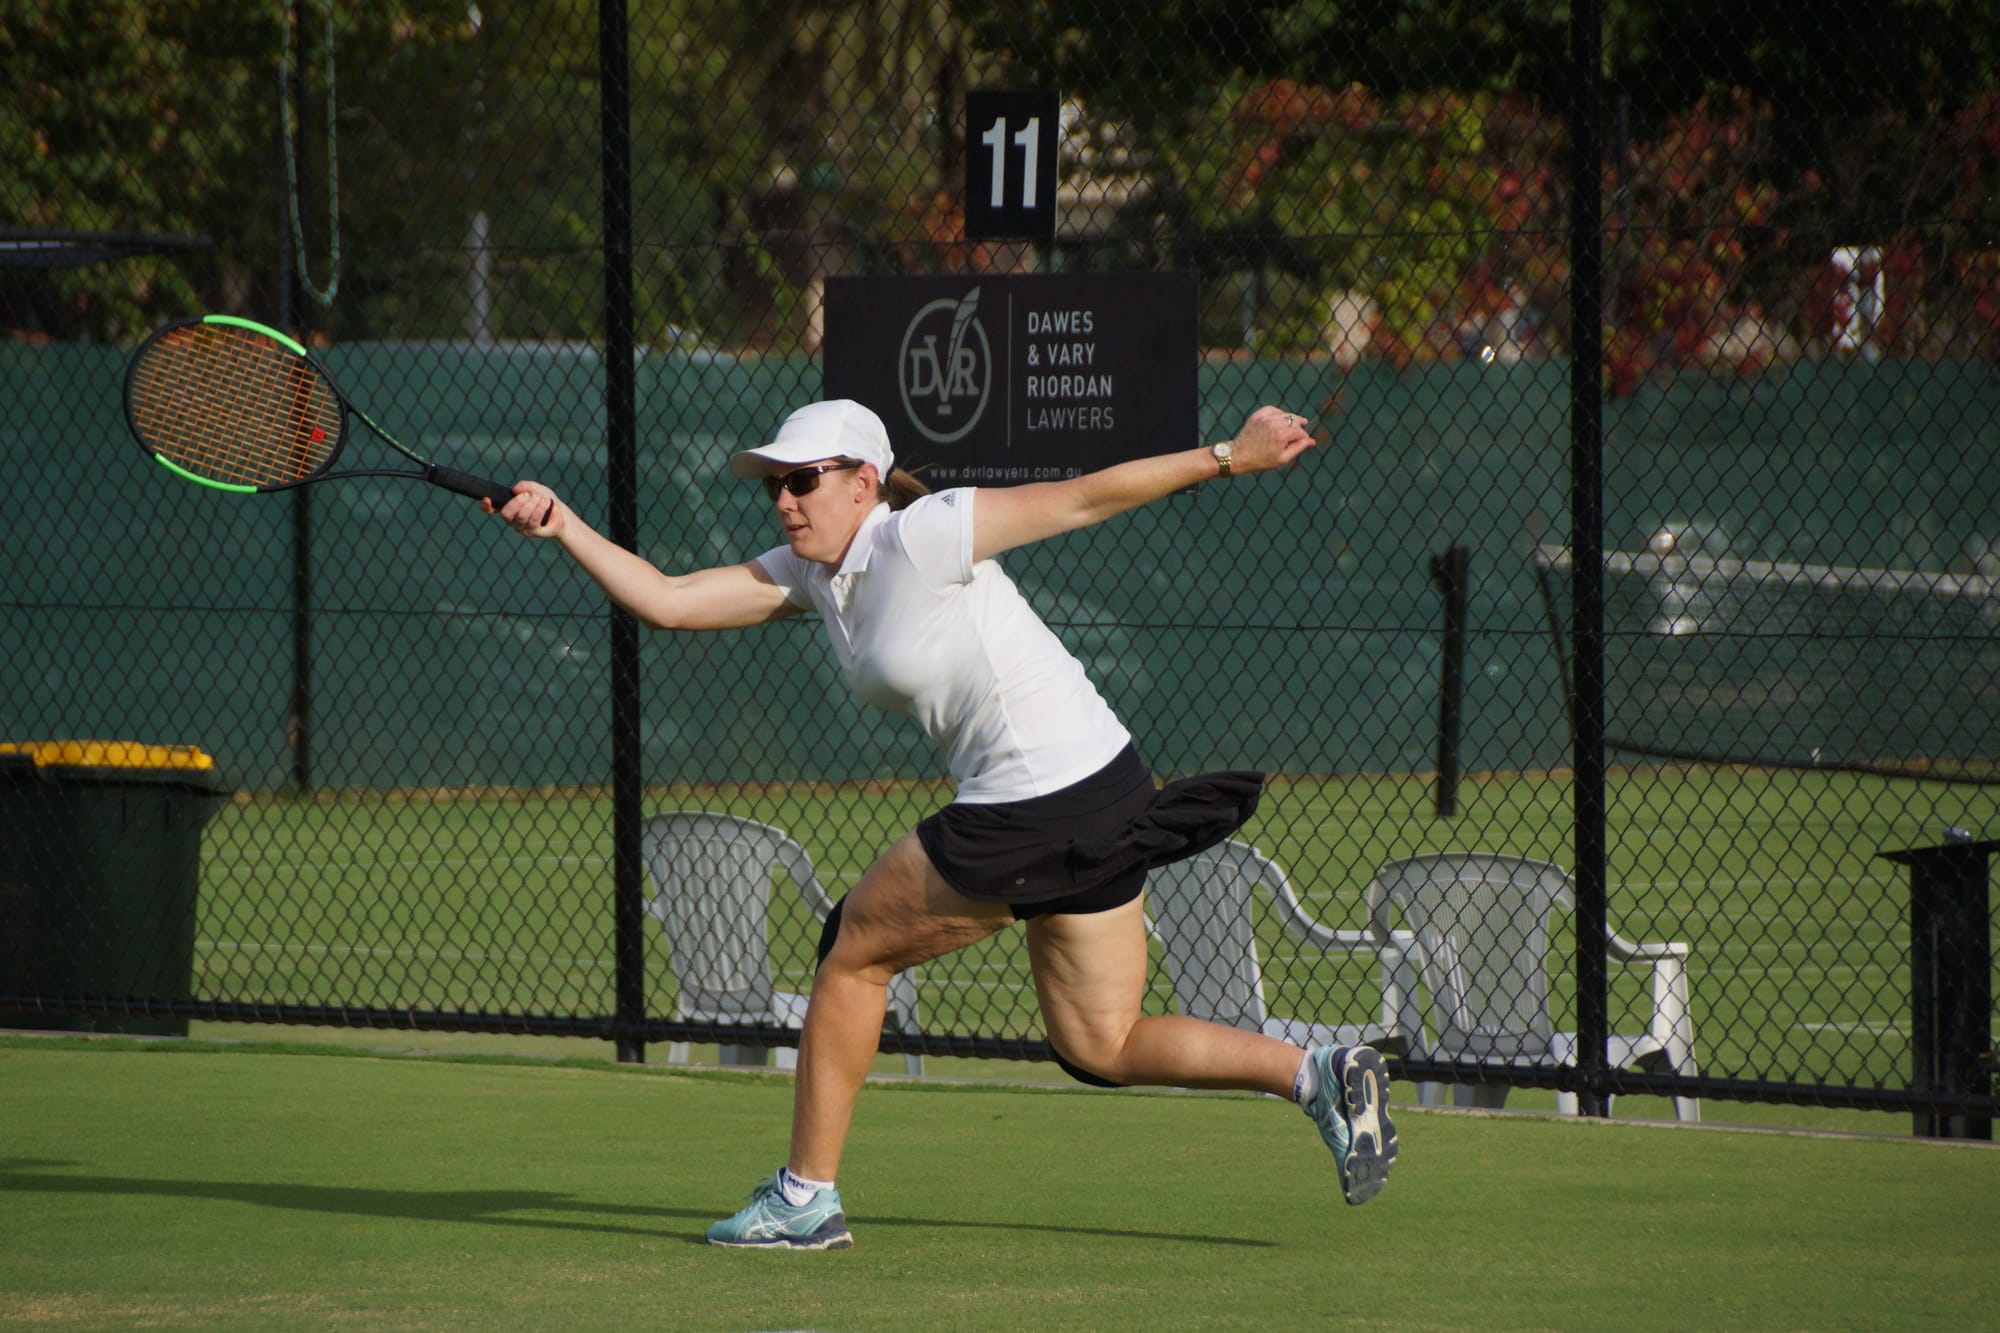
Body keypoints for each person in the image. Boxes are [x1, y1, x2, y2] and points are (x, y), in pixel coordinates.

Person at [491, 398, 1397, 1249]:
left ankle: (805, 1198)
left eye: (802, 479)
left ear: (863, 482)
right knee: (1101, 1041)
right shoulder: (812, 575)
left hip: (1037, 795)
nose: (783, 499)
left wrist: (1230, 455)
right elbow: (669, 599)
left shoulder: (922, 532)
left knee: (853, 950)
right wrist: (563, 523)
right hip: (1103, 784)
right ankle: (1316, 1072)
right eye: (774, 483)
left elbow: (1085, 497)